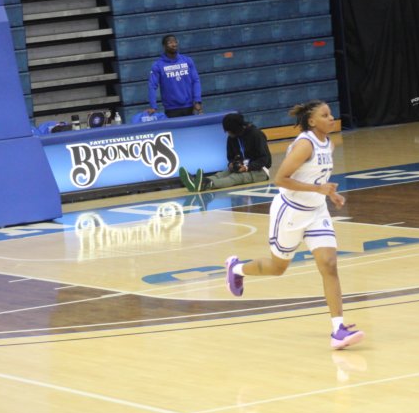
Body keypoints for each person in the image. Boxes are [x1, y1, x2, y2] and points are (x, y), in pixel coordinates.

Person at [224, 100, 364, 350]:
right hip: (290, 212)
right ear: (311, 121)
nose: (331, 118)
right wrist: (318, 189)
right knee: (278, 268)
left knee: (329, 264)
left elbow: (318, 177)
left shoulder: (329, 143)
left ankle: (338, 330)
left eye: (331, 114)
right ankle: (236, 269)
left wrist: (329, 193)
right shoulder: (305, 145)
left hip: (316, 211)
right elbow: (280, 179)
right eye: (325, 115)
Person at [180, 112, 272, 192]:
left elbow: (264, 159)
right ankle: (196, 181)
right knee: (221, 174)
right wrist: (231, 164)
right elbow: (231, 157)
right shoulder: (232, 138)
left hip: (260, 170)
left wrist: (247, 167)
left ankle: (206, 184)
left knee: (235, 178)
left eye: (229, 131)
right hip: (241, 167)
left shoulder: (256, 134)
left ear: (236, 128)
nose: (228, 133)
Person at [147, 34, 202, 118]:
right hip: (171, 109)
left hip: (189, 106)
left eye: (175, 42)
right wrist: (153, 106)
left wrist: (197, 100)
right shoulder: (158, 65)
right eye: (170, 43)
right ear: (164, 46)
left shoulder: (187, 60)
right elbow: (152, 86)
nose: (174, 44)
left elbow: (196, 81)